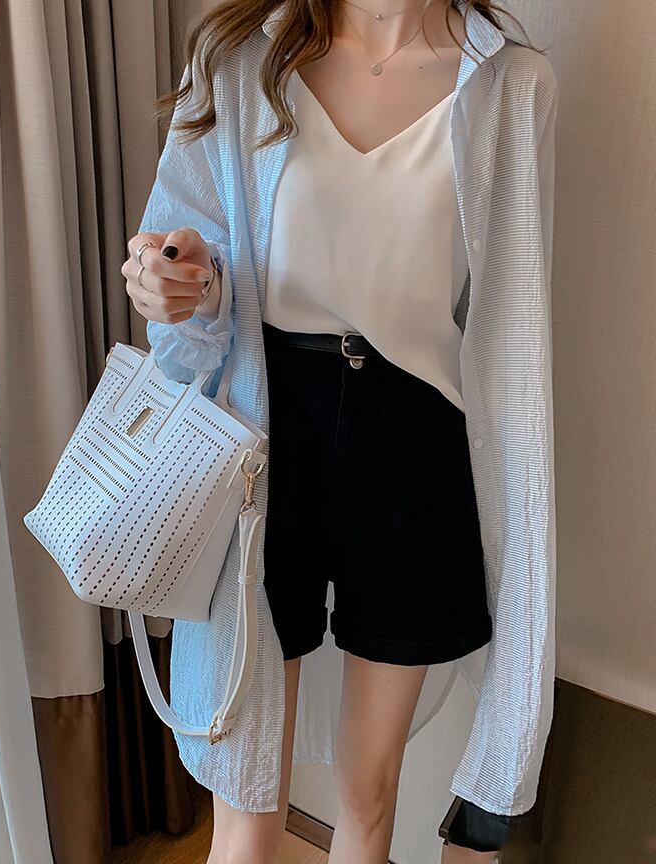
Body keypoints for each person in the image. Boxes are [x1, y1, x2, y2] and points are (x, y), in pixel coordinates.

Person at [121, 0, 558, 861]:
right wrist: (178, 291)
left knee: (368, 793)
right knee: (246, 806)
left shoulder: (510, 86)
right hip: (264, 438)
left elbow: (510, 325)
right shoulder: (241, 61)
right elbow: (191, 311)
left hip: (415, 447)